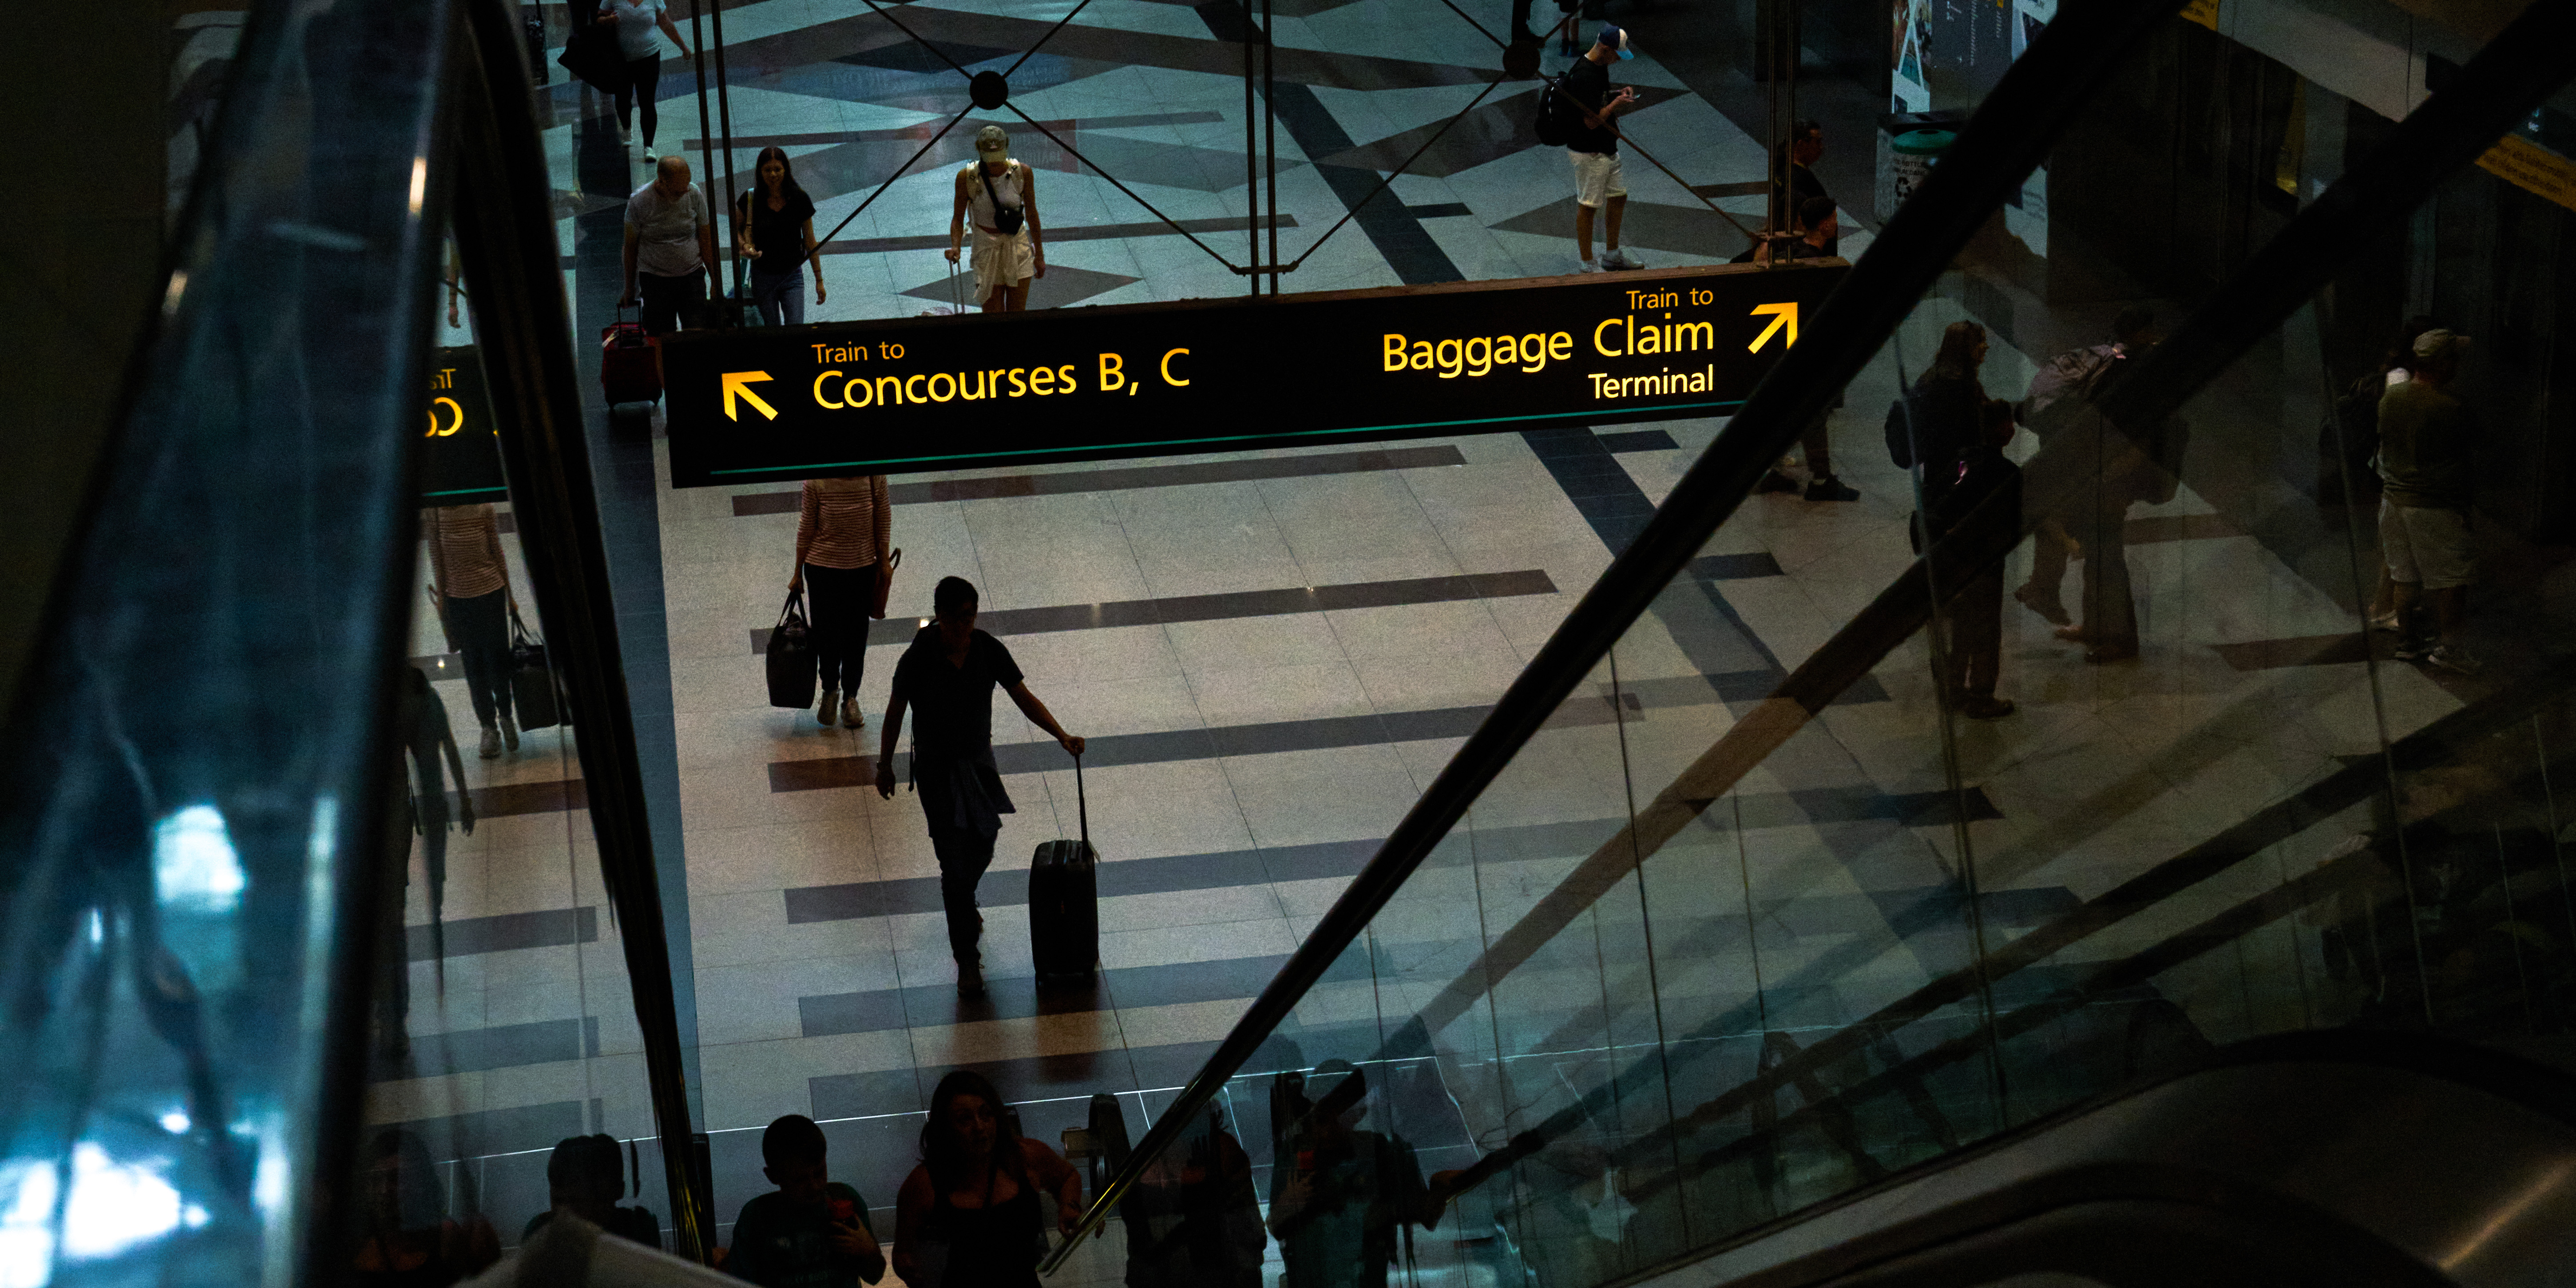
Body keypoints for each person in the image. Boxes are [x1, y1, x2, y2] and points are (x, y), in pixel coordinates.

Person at [876, 578, 1085, 999]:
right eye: (958, 619)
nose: (965, 627)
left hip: (978, 765)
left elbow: (1022, 696)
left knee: (985, 841)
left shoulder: (987, 649)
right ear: (941, 617)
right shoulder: (919, 656)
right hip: (937, 771)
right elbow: (896, 710)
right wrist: (885, 764)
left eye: (971, 617)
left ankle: (964, 899)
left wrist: (1061, 735)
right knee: (952, 863)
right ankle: (967, 959)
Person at [1890, 321, 2017, 718]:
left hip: (1939, 494)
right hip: (1970, 502)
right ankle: (1980, 691)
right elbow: (1974, 443)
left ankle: (1951, 685)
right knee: (1982, 611)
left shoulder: (1931, 380)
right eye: (1981, 342)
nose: (1986, 349)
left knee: (1956, 605)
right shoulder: (1963, 392)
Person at [2012, 305, 2156, 628]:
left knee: (2062, 519)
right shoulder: (2127, 366)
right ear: (2141, 333)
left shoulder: (2101, 356)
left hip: (2068, 446)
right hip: (2091, 460)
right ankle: (2082, 615)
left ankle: (2047, 591)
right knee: (2100, 549)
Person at [1266, 1061, 1454, 1288]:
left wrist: (1400, 1208)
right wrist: (1290, 1203)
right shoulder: (1295, 1155)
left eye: (1338, 1111)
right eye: (1321, 1114)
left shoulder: (1382, 1151)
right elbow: (1275, 1227)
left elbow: (1425, 1215)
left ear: (1358, 1111)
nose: (1328, 1126)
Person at [895, 1071, 1085, 1288]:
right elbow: (903, 1253)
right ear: (945, 1127)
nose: (980, 1127)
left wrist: (1070, 1206)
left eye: (986, 1114)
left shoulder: (1026, 1157)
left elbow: (1067, 1176)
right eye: (965, 1119)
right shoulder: (923, 1185)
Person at [2374, 328, 2480, 676]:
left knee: (2405, 575)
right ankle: (2449, 650)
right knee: (2452, 579)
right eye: (2454, 359)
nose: (2458, 366)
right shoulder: (2450, 407)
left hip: (2393, 500)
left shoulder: (2391, 398)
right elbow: (2466, 456)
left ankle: (2407, 643)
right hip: (2434, 506)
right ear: (2442, 364)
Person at [728, 1115, 886, 1288]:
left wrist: (868, 1251)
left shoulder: (846, 1200)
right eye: (799, 1180)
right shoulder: (756, 1218)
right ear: (773, 1176)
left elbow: (875, 1276)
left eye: (820, 1173)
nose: (814, 1187)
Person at [791, 475, 891, 729]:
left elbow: (883, 519)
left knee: (856, 636)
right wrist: (797, 571)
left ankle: (850, 697)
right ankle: (829, 691)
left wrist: (884, 561)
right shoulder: (816, 479)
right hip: (822, 569)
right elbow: (807, 526)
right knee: (827, 635)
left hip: (863, 568)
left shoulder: (874, 476)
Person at [424, 503, 518, 758]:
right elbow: (436, 556)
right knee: (474, 665)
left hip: (490, 593)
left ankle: (506, 716)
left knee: (496, 661)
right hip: (458, 600)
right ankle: (488, 727)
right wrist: (443, 603)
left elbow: (497, 550)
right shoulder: (434, 512)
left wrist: (509, 595)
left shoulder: (483, 507)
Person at [350, 1129, 501, 1288]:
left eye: (396, 1178)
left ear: (421, 1182)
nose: (384, 1190)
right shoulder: (354, 1243)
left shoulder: (446, 1237)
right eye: (375, 1179)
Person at [1560, 26, 1644, 273]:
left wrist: (1616, 94)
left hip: (1606, 146)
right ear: (1606, 50)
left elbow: (1598, 98)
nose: (1618, 60)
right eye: (1617, 55)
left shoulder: (1599, 66)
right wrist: (1617, 103)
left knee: (1619, 197)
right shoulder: (1585, 74)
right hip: (1590, 151)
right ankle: (1588, 264)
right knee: (1588, 206)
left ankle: (1612, 255)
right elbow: (1591, 121)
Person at [947, 126, 1046, 313]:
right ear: (979, 150)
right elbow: (957, 219)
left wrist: (1039, 255)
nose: (995, 165)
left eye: (998, 158)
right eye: (990, 160)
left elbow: (1032, 214)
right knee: (992, 313)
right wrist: (956, 247)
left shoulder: (1022, 173)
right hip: (985, 248)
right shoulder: (967, 177)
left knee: (1017, 312)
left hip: (1017, 246)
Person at [621, 154, 717, 337]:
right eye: (677, 191)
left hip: (691, 276)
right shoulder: (639, 201)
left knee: (697, 332)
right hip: (655, 280)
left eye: (687, 185)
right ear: (662, 181)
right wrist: (629, 288)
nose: (684, 192)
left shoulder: (694, 194)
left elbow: (706, 239)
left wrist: (715, 280)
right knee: (661, 336)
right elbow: (630, 247)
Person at [525, 1135, 663, 1250]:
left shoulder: (637, 1230)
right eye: (559, 1202)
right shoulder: (541, 1236)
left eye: (577, 1202)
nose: (565, 1215)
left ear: (616, 1192)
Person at [737, 146, 825, 327]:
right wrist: (744, 245)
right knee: (771, 330)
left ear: (786, 170)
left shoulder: (799, 199)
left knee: (795, 327)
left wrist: (819, 280)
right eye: (767, 170)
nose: (773, 175)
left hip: (792, 276)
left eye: (778, 169)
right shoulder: (751, 199)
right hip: (762, 277)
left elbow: (810, 240)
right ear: (760, 172)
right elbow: (734, 229)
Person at [598, 0, 692, 161]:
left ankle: (649, 146)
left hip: (649, 57)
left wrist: (682, 46)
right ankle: (627, 127)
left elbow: (665, 23)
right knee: (622, 99)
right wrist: (608, 21)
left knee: (647, 101)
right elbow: (599, 19)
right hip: (621, 59)